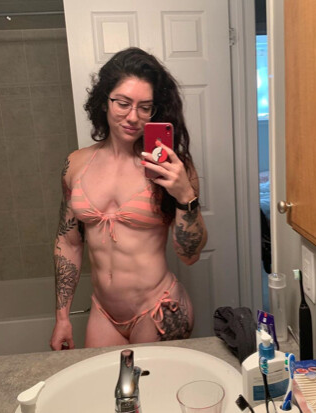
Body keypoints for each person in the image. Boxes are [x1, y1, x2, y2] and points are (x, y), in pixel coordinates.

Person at [49, 47, 207, 350]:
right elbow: (68, 243)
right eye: (123, 103)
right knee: (102, 381)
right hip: (104, 313)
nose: (133, 117)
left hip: (158, 308)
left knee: (154, 383)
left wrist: (185, 195)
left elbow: (190, 255)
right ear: (104, 101)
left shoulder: (172, 167)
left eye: (145, 108)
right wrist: (62, 318)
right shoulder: (76, 164)